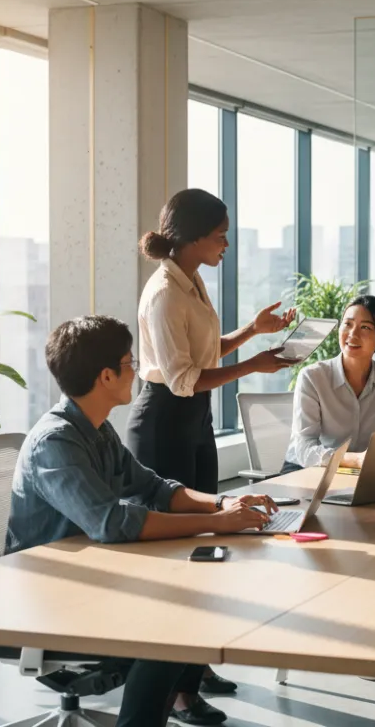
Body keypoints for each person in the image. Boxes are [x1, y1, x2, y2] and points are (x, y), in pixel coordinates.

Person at [6, 316, 280, 727]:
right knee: (169, 629)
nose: (136, 369)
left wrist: (223, 502)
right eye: (129, 361)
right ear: (105, 376)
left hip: (93, 577)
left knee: (189, 606)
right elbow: (112, 523)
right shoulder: (56, 444)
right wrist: (219, 525)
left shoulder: (96, 431)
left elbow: (154, 488)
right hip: (51, 599)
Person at [128, 188, 295, 696]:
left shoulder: (191, 281)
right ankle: (175, 686)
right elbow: (181, 378)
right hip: (164, 421)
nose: (226, 243)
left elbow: (202, 353)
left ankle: (192, 669)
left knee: (210, 540)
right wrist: (252, 366)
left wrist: (252, 332)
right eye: (220, 235)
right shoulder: (164, 294)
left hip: (193, 417)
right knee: (182, 551)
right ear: (195, 238)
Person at [283, 295, 375, 472]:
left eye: (365, 327)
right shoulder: (313, 377)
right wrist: (354, 460)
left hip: (356, 472)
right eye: (347, 324)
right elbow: (304, 450)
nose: (353, 334)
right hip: (305, 471)